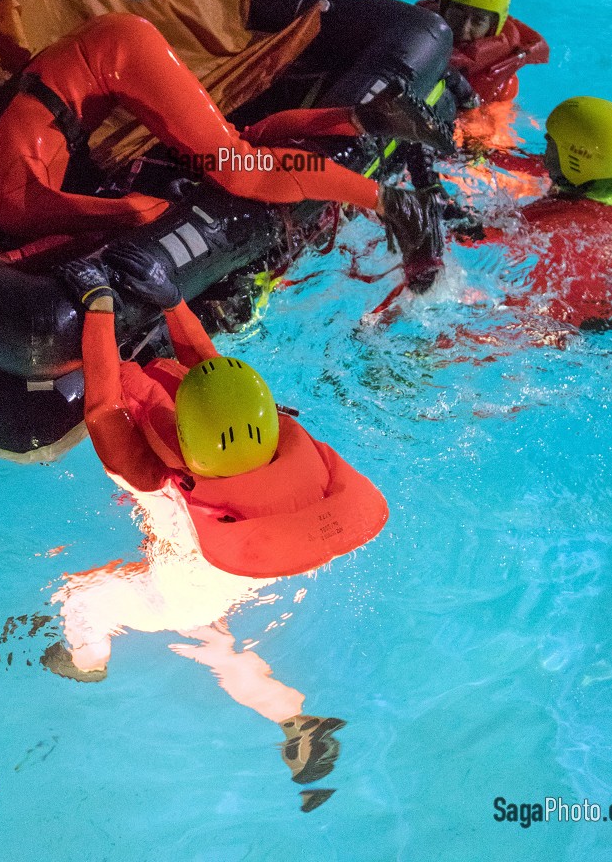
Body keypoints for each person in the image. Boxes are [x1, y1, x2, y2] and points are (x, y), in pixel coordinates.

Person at [35, 244, 388, 809]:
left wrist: (97, 303)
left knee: (82, 597)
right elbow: (217, 375)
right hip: (254, 566)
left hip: (182, 589)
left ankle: (85, 665)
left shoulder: (156, 478)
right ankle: (297, 719)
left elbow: (102, 408)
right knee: (215, 644)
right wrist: (172, 301)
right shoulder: (279, 454)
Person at [0, 12, 446, 275]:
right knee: (241, 150)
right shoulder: (9, 194)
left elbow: (138, 216)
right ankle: (362, 117)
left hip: (114, 56)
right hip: (103, 51)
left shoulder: (16, 206)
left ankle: (392, 203)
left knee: (241, 170)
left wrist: (16, 264)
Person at [453, 97, 612, 333]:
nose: (545, 155)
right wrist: (484, 155)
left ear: (575, 159)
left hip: (579, 320)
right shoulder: (605, 174)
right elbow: (543, 166)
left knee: (464, 333)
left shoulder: (569, 215)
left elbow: (476, 234)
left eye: (551, 147)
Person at [419, 0, 549, 112]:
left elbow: (485, 130)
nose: (464, 28)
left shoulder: (502, 80)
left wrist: (469, 101)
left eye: (478, 21)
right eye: (456, 14)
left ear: (493, 27)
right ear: (443, 10)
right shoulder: (414, 31)